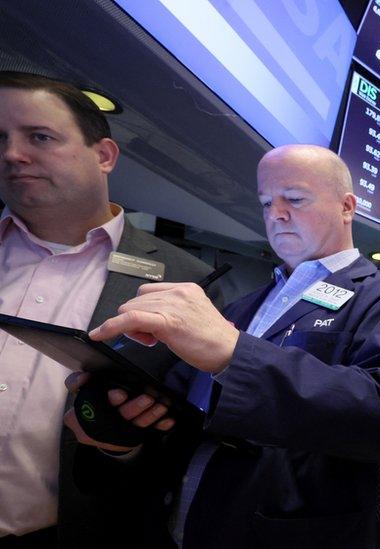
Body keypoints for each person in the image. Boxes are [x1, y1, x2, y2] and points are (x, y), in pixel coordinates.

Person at [67, 145, 380, 548]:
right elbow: (187, 415)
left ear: (347, 206)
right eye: (265, 202)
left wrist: (233, 353)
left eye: (294, 199)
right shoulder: (244, 306)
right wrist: (122, 420)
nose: (276, 214)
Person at [0, 71, 222, 547]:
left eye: (39, 136)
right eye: (0, 139)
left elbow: (198, 437)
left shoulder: (187, 280)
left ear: (104, 155)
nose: (12, 155)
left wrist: (122, 447)